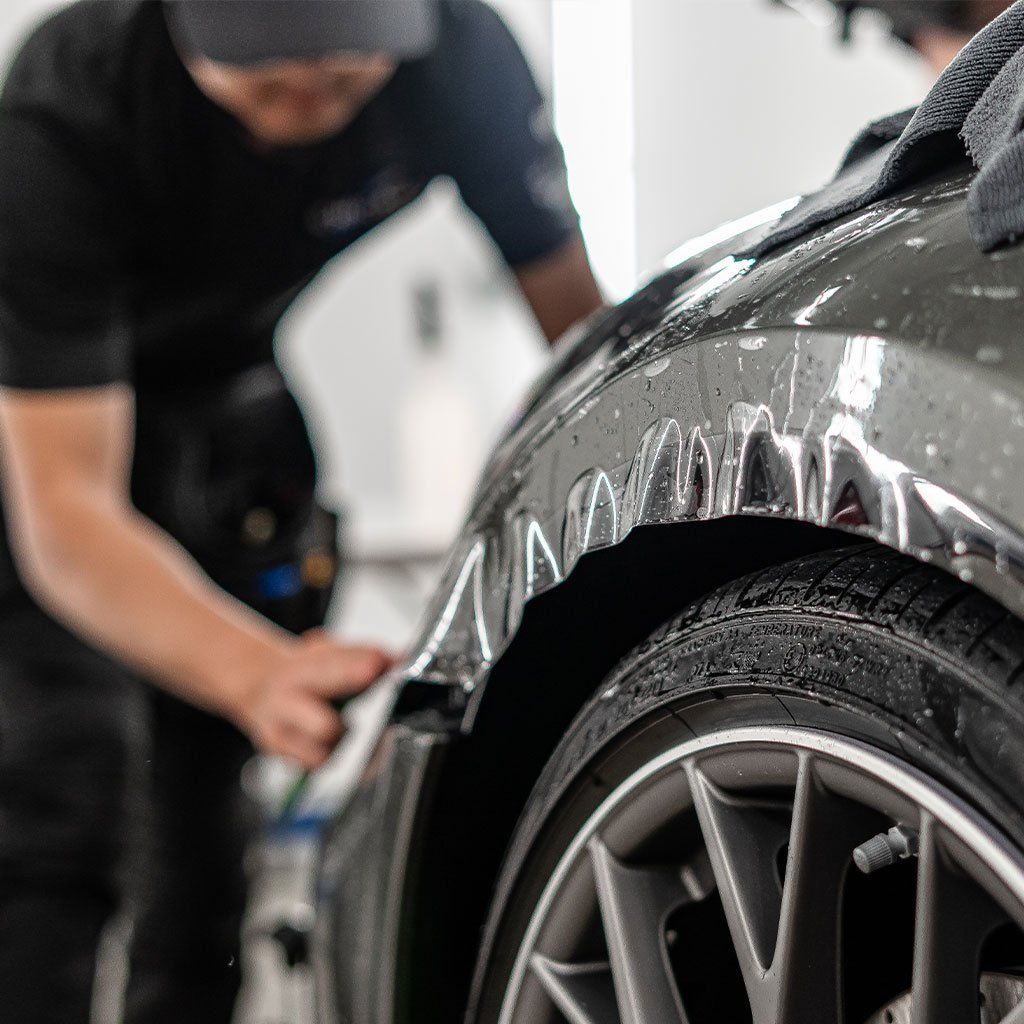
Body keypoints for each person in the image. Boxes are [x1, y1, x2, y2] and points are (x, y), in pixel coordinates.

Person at [0, 1, 604, 1022]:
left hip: (231, 402)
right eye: (269, 59)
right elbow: (66, 515)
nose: (316, 78)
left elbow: (587, 338)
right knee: (63, 794)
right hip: (41, 427)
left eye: (352, 49)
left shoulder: (457, 54)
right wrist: (259, 672)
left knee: (206, 823)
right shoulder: (72, 106)